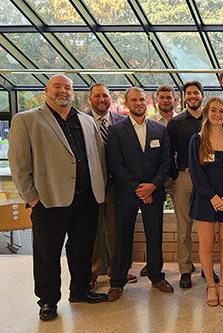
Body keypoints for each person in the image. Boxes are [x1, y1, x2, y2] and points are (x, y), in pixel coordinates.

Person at [8, 74, 108, 321]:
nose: (63, 91)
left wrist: (100, 187)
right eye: (57, 86)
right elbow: (19, 163)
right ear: (47, 91)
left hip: (86, 198)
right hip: (48, 200)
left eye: (67, 87)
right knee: (47, 253)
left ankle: (80, 290)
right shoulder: (27, 120)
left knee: (83, 248)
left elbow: (99, 158)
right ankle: (48, 300)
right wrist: (31, 197)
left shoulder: (85, 121)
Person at [105, 87, 173, 302]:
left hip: (154, 191)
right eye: (134, 100)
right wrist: (139, 188)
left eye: (142, 99)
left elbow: (166, 161)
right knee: (122, 237)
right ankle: (117, 282)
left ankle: (156, 276)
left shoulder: (159, 130)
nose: (139, 103)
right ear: (126, 103)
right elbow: (115, 164)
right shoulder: (116, 130)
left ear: (147, 102)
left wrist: (152, 186)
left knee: (155, 235)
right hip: (126, 193)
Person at [188, 96, 223, 307]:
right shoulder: (197, 139)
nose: (218, 114)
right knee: (207, 244)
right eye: (213, 111)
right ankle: (211, 285)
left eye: (221, 111)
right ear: (207, 113)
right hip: (205, 199)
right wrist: (211, 196)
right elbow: (195, 171)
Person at [166, 81, 216, 289]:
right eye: (189, 93)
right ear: (184, 97)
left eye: (197, 93)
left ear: (202, 95)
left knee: (208, 226)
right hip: (185, 178)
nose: (193, 96)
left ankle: (207, 267)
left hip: (208, 178)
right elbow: (168, 154)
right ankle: (185, 269)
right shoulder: (176, 123)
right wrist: (174, 179)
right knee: (183, 226)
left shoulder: (211, 120)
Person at [84, 82, 134, 289]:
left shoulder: (123, 121)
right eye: (97, 96)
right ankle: (93, 272)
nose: (102, 100)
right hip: (92, 185)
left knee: (116, 230)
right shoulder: (83, 121)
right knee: (93, 230)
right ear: (90, 99)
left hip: (117, 185)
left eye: (105, 96)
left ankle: (118, 270)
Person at [139, 84, 180, 278]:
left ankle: (183, 265)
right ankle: (153, 263)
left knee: (182, 221)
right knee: (153, 224)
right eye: (162, 97)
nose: (165, 100)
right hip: (154, 180)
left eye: (169, 97)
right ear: (156, 100)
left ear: (175, 100)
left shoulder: (181, 121)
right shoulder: (150, 123)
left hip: (176, 178)